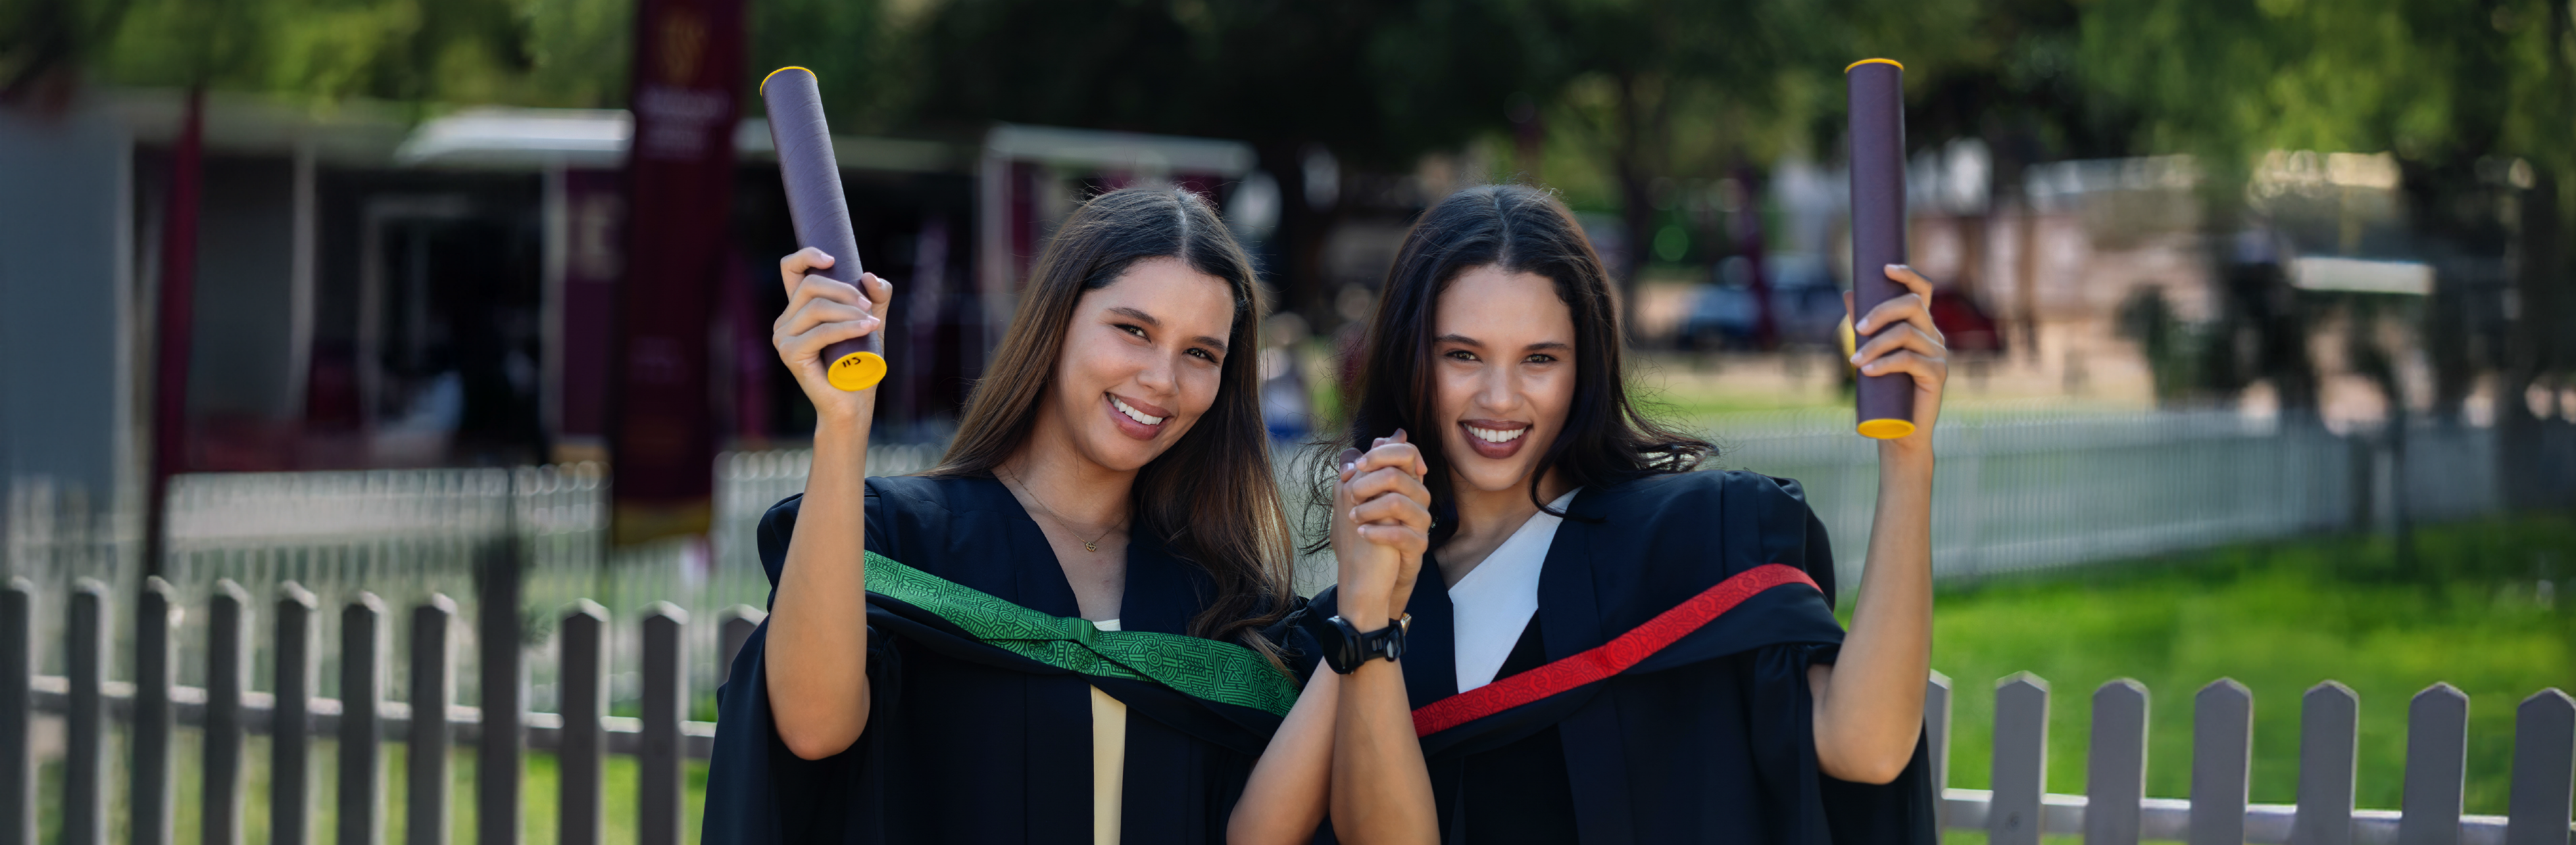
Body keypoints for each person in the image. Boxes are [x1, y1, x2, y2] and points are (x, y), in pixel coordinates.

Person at [1239, 184, 1946, 844]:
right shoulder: (1359, 618)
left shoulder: (1700, 540)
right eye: (1462, 354)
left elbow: (1866, 746)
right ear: (1409, 361)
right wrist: (1367, 616)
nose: (1499, 397)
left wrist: (1908, 464)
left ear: (1585, 366)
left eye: (1538, 358)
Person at [705, 186, 1332, 845]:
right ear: (1057, 321)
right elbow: (811, 727)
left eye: (1200, 353)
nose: (1161, 378)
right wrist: (841, 422)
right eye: (1133, 330)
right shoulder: (900, 543)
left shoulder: (1225, 606)